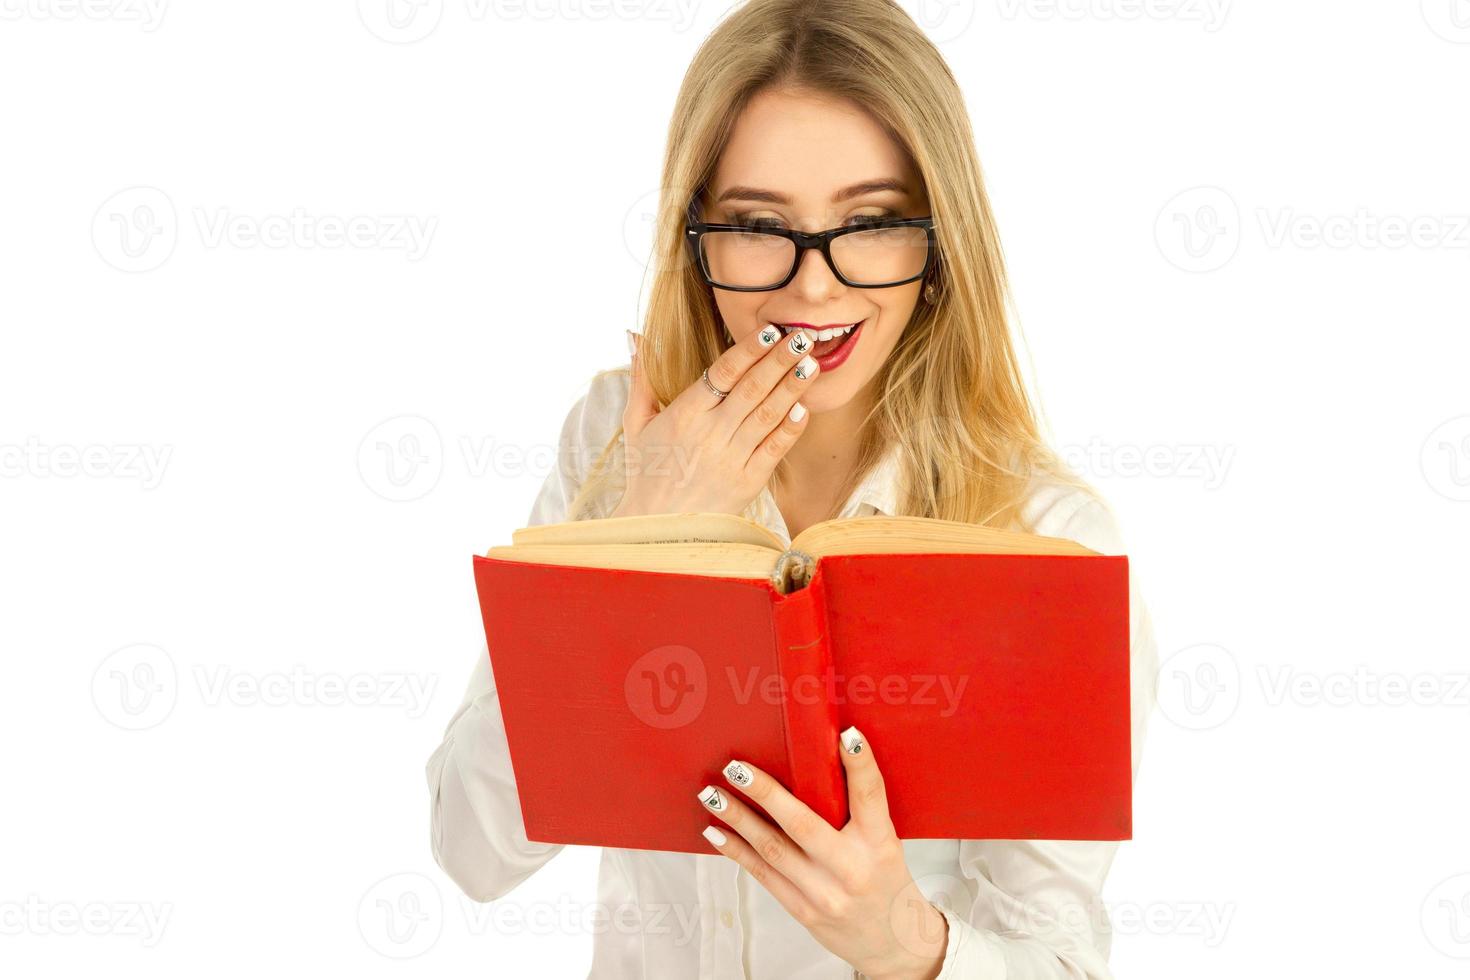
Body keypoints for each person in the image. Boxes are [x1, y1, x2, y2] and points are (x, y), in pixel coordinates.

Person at [427, 1, 1157, 975]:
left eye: (870, 222)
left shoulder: (1047, 534)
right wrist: (631, 542)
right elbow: (471, 851)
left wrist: (902, 939)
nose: (814, 289)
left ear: (937, 249)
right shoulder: (617, 437)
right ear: (699, 238)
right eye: (761, 225)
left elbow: (1059, 952)